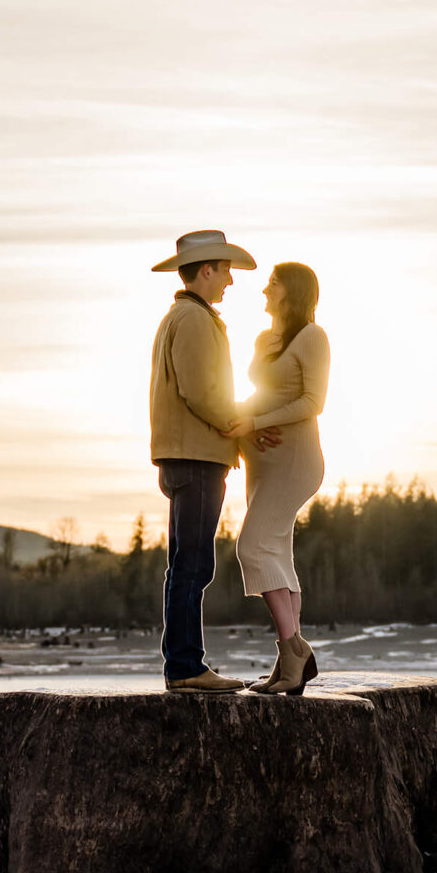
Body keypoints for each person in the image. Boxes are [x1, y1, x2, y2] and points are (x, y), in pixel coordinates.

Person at [147, 229, 279, 693]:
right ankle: (185, 667)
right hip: (196, 457)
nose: (229, 281)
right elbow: (202, 392)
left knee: (185, 563)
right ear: (206, 270)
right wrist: (241, 427)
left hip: (186, 455)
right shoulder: (196, 321)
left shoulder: (181, 317)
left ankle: (183, 665)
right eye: (224, 270)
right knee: (193, 565)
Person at [224, 262, 329, 695]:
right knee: (278, 552)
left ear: (293, 291)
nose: (264, 289)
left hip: (295, 459)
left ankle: (293, 649)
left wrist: (257, 421)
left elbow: (312, 402)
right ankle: (290, 667)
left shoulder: (313, 337)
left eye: (273, 283)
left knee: (251, 546)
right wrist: (239, 418)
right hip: (261, 459)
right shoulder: (265, 338)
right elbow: (260, 393)